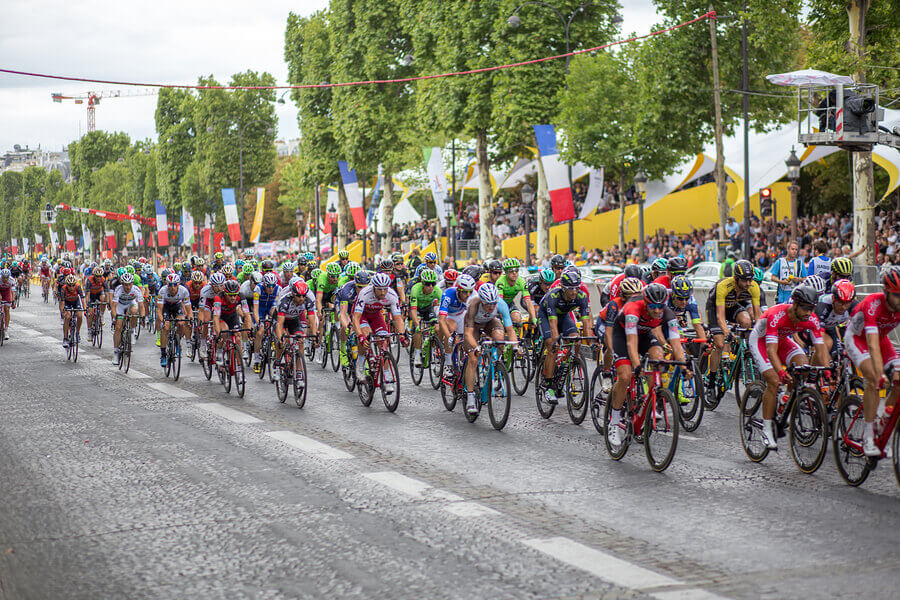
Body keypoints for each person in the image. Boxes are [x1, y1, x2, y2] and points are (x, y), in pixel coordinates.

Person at [607, 283, 689, 446]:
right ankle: (614, 422)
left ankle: (649, 399)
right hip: (623, 335)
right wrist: (637, 366)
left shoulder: (668, 314)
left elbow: (676, 344)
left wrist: (684, 367)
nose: (657, 311)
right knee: (624, 376)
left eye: (660, 307)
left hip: (644, 334)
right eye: (653, 306)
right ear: (645, 302)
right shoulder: (632, 308)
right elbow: (631, 343)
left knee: (658, 357)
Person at [748, 285, 828, 450]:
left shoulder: (811, 319)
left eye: (812, 308)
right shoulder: (776, 315)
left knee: (803, 366)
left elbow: (821, 350)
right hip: (761, 341)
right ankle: (767, 427)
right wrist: (781, 372)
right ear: (795, 304)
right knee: (775, 380)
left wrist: (827, 370)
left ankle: (786, 398)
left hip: (783, 340)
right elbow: (771, 350)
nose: (809, 312)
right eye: (805, 308)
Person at [843, 267, 900, 456]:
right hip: (858, 338)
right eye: (897, 295)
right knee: (874, 378)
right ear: (886, 293)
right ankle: (868, 436)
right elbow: (872, 345)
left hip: (881, 340)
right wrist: (880, 373)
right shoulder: (872, 304)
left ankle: (883, 422)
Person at [537, 269, 592, 406]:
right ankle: (548, 386)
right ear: (563, 288)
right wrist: (556, 342)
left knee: (576, 340)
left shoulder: (581, 297)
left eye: (576, 288)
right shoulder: (553, 296)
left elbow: (586, 324)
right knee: (552, 346)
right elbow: (553, 324)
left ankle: (567, 365)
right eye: (570, 289)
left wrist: (591, 342)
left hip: (564, 316)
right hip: (546, 316)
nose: (574, 292)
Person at [706, 260, 762, 391]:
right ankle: (711, 384)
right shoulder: (724, 286)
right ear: (736, 278)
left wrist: (758, 334)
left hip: (732, 306)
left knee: (747, 321)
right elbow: (720, 317)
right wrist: (727, 333)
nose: (748, 283)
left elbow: (758, 316)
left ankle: (741, 351)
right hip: (715, 309)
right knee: (719, 344)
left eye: (750, 279)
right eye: (744, 280)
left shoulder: (753, 287)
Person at [461, 282, 517, 415]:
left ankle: (493, 365)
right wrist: (476, 347)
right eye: (488, 304)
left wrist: (515, 346)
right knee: (473, 359)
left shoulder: (501, 304)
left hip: (490, 322)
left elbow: (510, 329)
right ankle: (470, 397)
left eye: (493, 303)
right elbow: (468, 334)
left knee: (500, 338)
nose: (491, 307)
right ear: (481, 301)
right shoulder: (473, 305)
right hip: (473, 325)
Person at [272, 279, 317, 380]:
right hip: (281, 319)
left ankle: (299, 372)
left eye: (303, 296)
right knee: (283, 340)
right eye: (299, 296)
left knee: (300, 341)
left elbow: (312, 320)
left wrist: (314, 336)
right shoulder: (284, 300)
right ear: (293, 294)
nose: (302, 298)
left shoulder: (308, 300)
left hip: (294, 320)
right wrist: (280, 339)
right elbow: (279, 324)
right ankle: (277, 363)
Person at [156, 273, 193, 367]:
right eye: (170, 285)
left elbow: (189, 309)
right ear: (167, 285)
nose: (172, 287)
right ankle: (163, 354)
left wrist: (189, 319)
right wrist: (162, 321)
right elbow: (159, 310)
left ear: (178, 284)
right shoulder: (162, 291)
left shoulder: (184, 291)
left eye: (175, 285)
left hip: (177, 306)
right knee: (166, 327)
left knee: (181, 323)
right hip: (166, 307)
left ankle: (177, 342)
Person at [111, 273, 141, 364]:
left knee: (135, 311)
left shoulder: (136, 290)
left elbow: (142, 305)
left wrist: (143, 317)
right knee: (118, 327)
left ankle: (132, 331)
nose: (128, 287)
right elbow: (114, 306)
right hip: (120, 305)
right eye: (125, 285)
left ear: (132, 283)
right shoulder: (118, 289)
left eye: (129, 284)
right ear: (122, 284)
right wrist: (115, 317)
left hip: (130, 303)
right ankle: (116, 352)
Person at [0, 269, 16, 338]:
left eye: (7, 278)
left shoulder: (12, 280)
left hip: (7, 294)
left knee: (7, 309)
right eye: (4, 278)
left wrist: (13, 301)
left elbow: (13, 292)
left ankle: (6, 330)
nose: (5, 279)